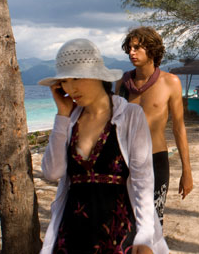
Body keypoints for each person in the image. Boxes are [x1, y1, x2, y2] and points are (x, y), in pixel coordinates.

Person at [39, 38, 168, 254]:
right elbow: (52, 173)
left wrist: (145, 236)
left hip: (118, 230)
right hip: (72, 233)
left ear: (97, 75)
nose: (71, 88)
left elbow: (142, 179)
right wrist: (61, 114)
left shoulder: (129, 116)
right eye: (65, 81)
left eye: (77, 78)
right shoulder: (69, 121)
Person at [116, 26, 193, 225]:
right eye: (130, 48)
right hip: (124, 160)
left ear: (152, 50)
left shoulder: (170, 82)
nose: (131, 52)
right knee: (122, 224)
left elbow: (178, 127)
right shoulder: (121, 84)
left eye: (137, 47)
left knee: (152, 225)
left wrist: (187, 171)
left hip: (156, 160)